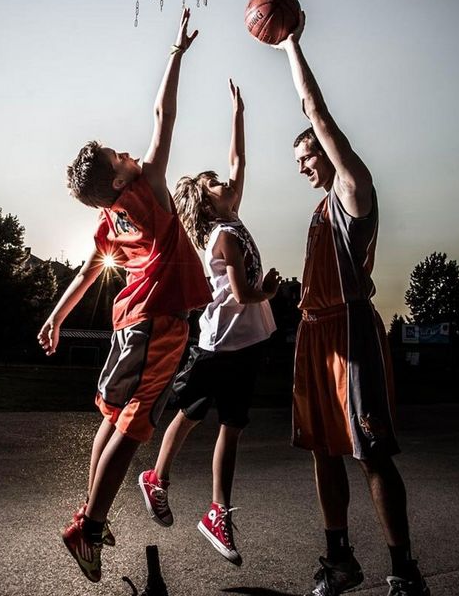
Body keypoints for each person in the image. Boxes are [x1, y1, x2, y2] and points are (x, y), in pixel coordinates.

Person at [37, 7, 212, 584]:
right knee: (134, 427)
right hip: (159, 323)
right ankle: (88, 526)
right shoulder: (147, 191)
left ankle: (90, 514)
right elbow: (164, 116)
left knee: (112, 419)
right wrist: (175, 55)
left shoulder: (110, 218)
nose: (125, 151)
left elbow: (90, 273)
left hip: (126, 323)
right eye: (117, 155)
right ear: (117, 178)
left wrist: (56, 318)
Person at [277, 12, 430, 596]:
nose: (304, 168)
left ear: (329, 152)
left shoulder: (352, 189)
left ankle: (403, 568)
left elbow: (316, 113)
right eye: (298, 164)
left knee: (371, 453)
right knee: (322, 448)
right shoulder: (320, 208)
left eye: (308, 158)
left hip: (351, 334)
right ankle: (339, 561)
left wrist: (290, 46)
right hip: (315, 334)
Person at [137, 79, 280, 567]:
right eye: (217, 182)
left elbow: (239, 163)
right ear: (207, 199)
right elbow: (242, 296)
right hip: (220, 342)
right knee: (192, 414)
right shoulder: (223, 235)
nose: (228, 182)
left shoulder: (231, 216)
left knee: (232, 426)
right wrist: (273, 292)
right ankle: (156, 477)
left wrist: (239, 114)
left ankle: (218, 512)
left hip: (250, 340)